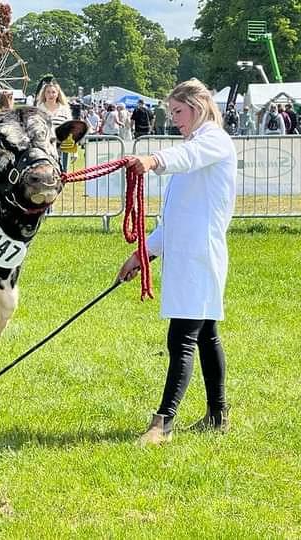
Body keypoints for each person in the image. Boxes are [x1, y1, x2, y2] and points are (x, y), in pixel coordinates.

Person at [118, 78, 236, 445]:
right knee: (206, 336)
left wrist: (153, 160)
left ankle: (163, 423)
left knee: (182, 338)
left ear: (198, 107)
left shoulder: (213, 140)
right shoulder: (196, 143)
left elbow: (185, 158)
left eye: (179, 112)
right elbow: (175, 219)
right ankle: (218, 416)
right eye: (171, 113)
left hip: (200, 255)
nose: (175, 120)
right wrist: (143, 252)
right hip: (190, 253)